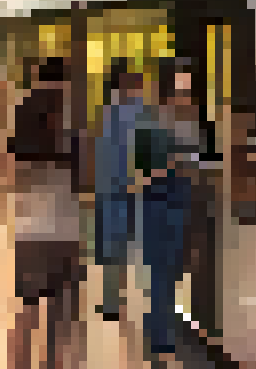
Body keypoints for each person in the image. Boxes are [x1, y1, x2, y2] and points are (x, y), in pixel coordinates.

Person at [9, 58, 85, 369]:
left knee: (27, 305)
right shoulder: (70, 116)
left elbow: (12, 170)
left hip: (29, 224)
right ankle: (51, 363)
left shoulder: (23, 109)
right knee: (60, 308)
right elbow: (85, 177)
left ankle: (20, 363)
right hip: (63, 223)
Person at [136, 68, 207, 368]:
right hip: (163, 198)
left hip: (175, 197)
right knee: (162, 267)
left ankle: (161, 328)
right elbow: (143, 167)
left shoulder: (180, 123)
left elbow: (197, 160)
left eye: (187, 88)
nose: (185, 95)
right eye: (181, 88)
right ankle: (160, 334)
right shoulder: (153, 124)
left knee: (169, 266)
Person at [92, 69, 148, 323]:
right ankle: (139, 302)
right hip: (133, 190)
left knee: (114, 251)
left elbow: (101, 151)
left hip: (113, 190)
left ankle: (114, 301)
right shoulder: (143, 113)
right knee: (135, 248)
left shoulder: (110, 113)